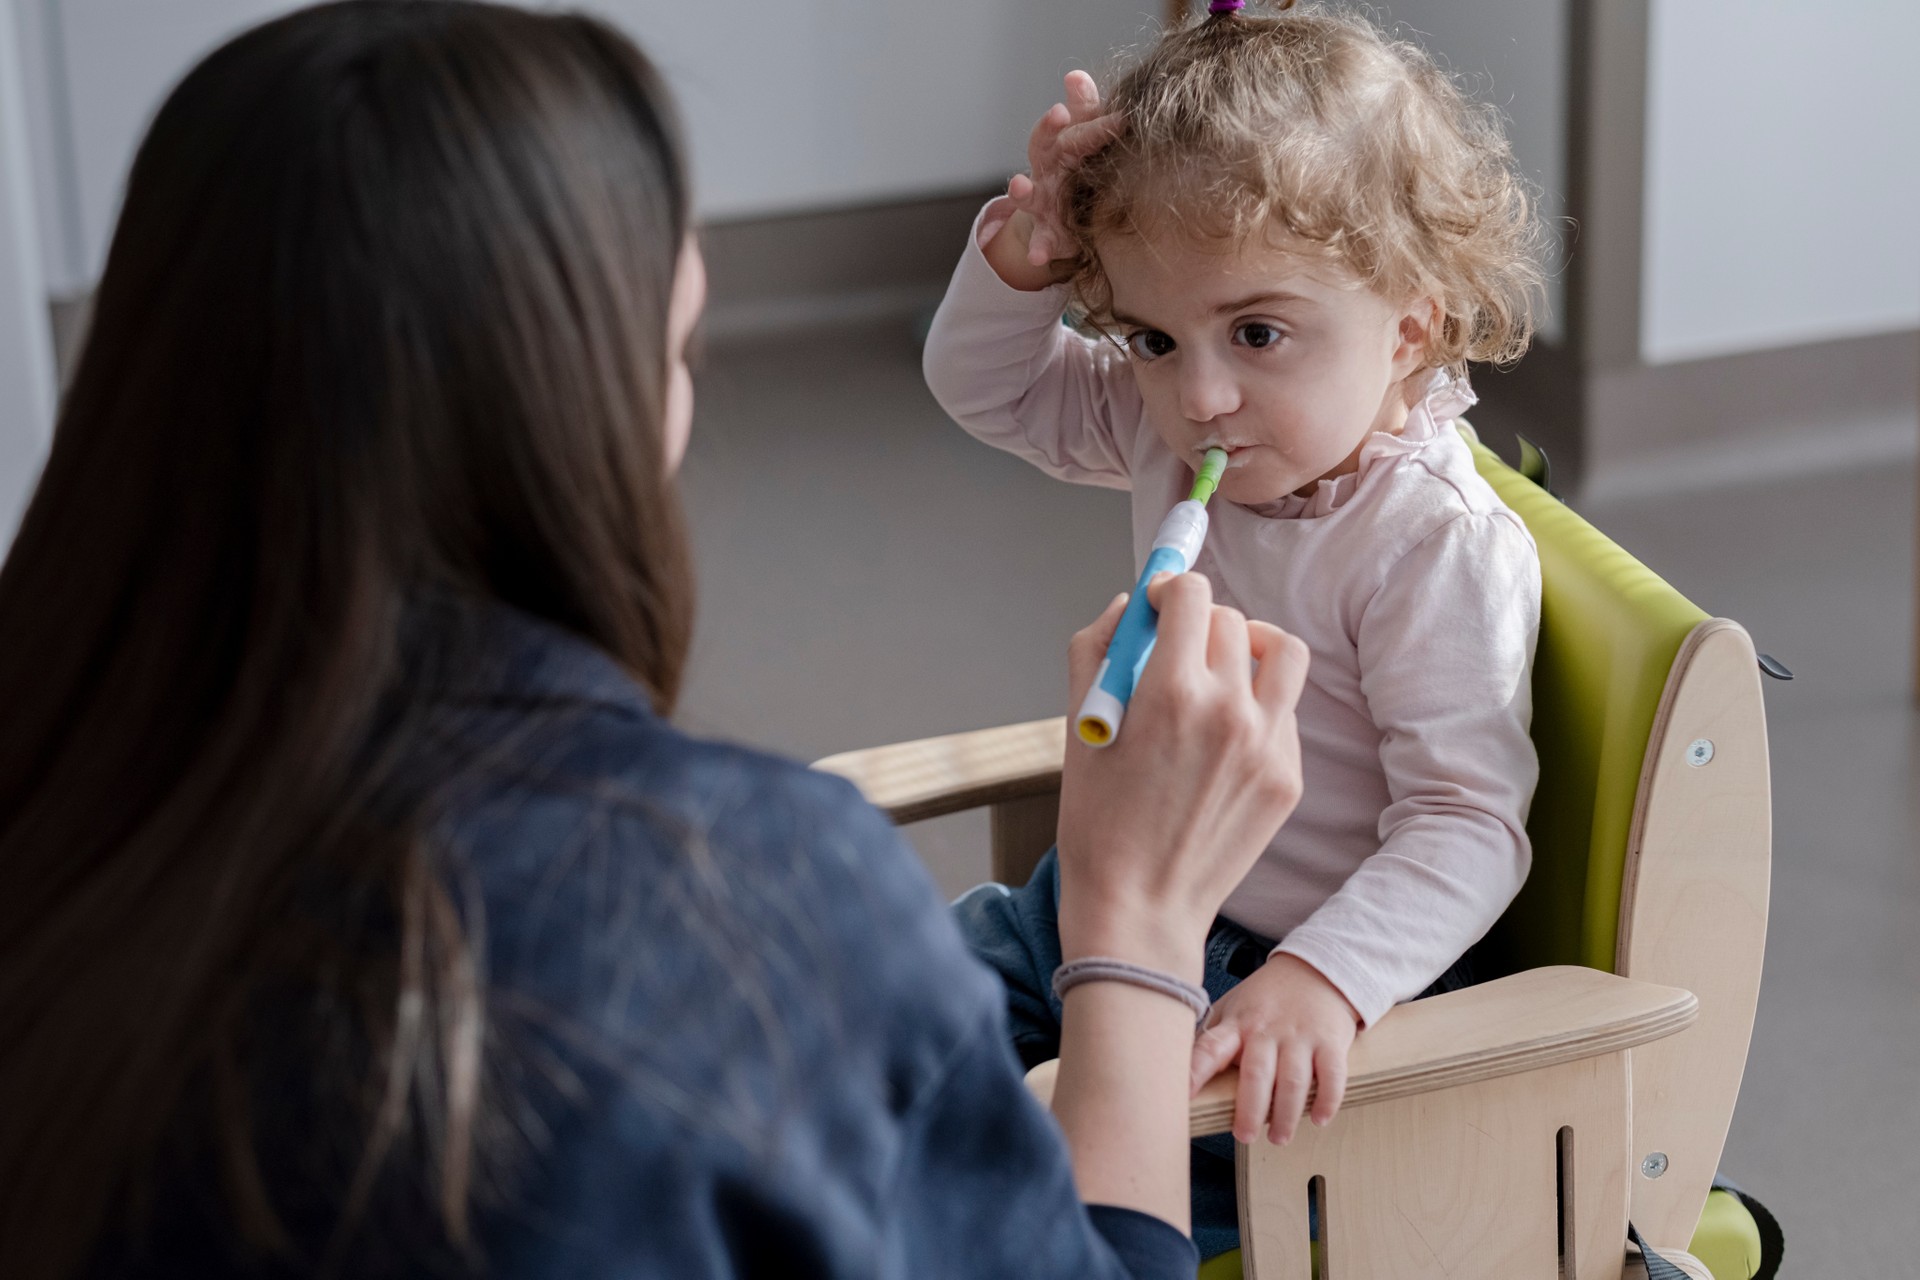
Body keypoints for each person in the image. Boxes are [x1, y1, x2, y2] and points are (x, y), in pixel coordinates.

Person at [0, 3, 1311, 1277]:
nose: (1195, 394)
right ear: (576, 409)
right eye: (678, 350)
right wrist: (1137, 920)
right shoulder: (746, 903)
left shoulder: (76, 801)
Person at [923, 0, 1546, 1259]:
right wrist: (1020, 257)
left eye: (1258, 332)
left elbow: (1469, 826)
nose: (1200, 395)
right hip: (1111, 897)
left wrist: (1322, 979)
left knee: (1049, 1185)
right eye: (1153, 336)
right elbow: (986, 385)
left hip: (1293, 964)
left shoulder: (1431, 543)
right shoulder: (1177, 426)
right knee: (876, 1024)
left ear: (1409, 326)